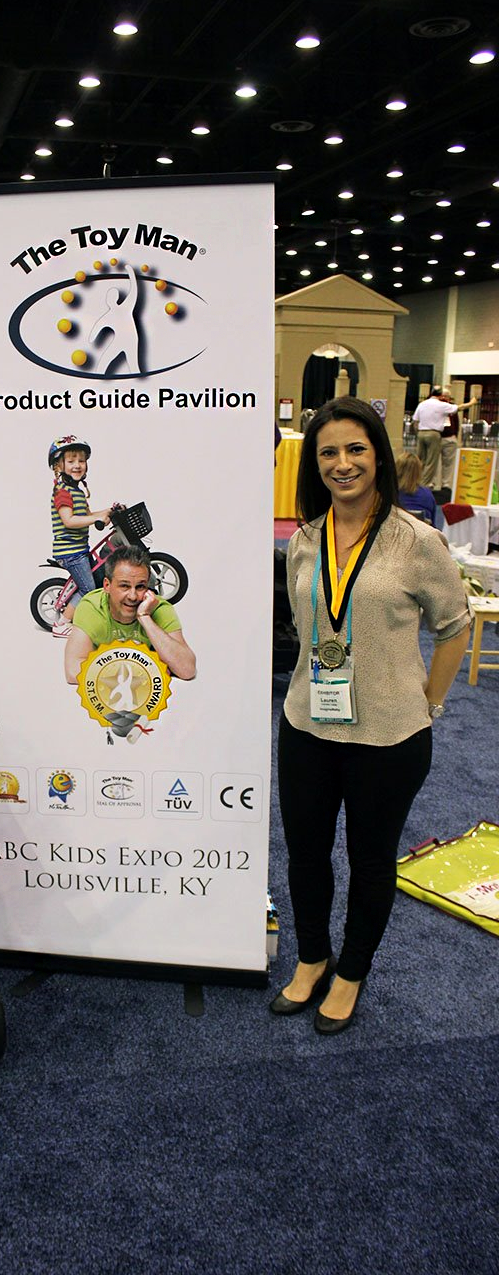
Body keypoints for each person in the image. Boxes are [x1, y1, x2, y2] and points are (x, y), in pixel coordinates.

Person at [273, 397, 470, 1034]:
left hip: (389, 733)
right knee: (304, 852)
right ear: (315, 464)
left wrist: (429, 704)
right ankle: (310, 958)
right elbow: (310, 630)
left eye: (356, 449)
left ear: (378, 455)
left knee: (369, 858)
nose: (343, 463)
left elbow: (455, 626)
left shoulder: (417, 540)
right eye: (328, 452)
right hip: (308, 723)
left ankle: (352, 972)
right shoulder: (304, 541)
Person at [64, 545, 196, 685]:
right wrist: (141, 671)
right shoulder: (90, 607)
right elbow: (73, 671)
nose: (133, 596)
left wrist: (145, 617)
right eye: (124, 586)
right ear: (107, 585)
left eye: (140, 587)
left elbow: (187, 669)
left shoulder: (160, 609)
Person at [47, 435, 111, 639]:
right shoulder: (62, 491)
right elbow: (69, 520)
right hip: (70, 552)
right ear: (59, 465)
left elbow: (87, 516)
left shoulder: (76, 491)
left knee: (99, 577)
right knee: (88, 589)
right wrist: (95, 520)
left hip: (79, 549)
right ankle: (62, 623)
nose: (77, 465)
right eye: (71, 460)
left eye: (81, 461)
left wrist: (108, 511)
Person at [413, 385, 476, 489]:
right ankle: (424, 485)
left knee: (421, 459)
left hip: (421, 433)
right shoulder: (441, 405)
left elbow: (415, 420)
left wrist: (418, 432)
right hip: (433, 433)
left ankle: (417, 481)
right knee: (431, 461)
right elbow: (460, 407)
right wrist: (472, 403)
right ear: (440, 395)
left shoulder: (422, 404)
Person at [395, 451, 438, 526]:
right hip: (423, 535)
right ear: (419, 471)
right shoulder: (427, 495)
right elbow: (433, 525)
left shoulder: (390, 494)